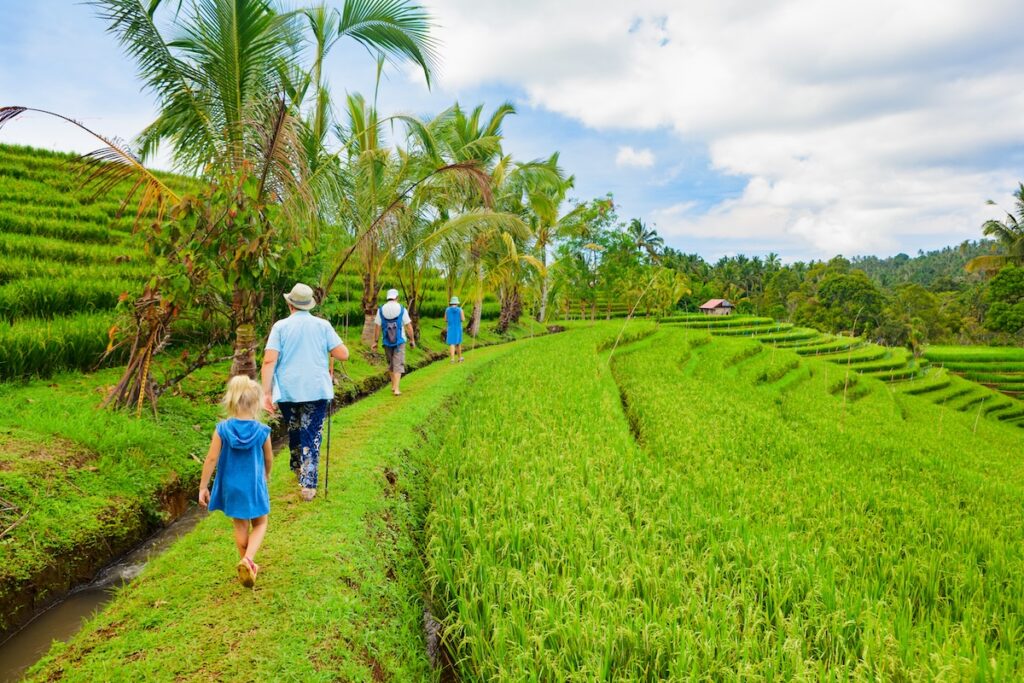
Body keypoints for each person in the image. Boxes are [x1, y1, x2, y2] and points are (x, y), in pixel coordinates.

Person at [261, 283, 349, 502]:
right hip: (316, 389)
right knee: (311, 433)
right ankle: (308, 484)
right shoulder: (322, 325)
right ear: (309, 305)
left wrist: (266, 393)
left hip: (289, 390)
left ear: (290, 304)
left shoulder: (280, 327)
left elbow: (269, 360)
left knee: (295, 429)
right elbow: (343, 354)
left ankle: (299, 468)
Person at [199, 375, 273, 588]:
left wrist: (204, 486)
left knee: (240, 525)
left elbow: (211, 458)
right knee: (260, 522)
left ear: (231, 402)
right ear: (257, 403)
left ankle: (246, 566)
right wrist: (266, 474)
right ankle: (248, 560)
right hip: (253, 484)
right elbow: (268, 458)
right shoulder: (262, 431)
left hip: (230, 486)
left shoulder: (222, 429)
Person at [372, 288, 416, 396]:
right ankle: (396, 389)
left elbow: (377, 327)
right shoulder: (401, 309)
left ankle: (393, 385)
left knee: (391, 363)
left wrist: (375, 341)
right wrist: (412, 340)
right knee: (398, 363)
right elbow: (408, 326)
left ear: (388, 298)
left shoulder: (381, 310)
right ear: (397, 297)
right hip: (399, 341)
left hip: (386, 341)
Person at [445, 296, 465, 363]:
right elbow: (462, 319)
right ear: (457, 303)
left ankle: (452, 359)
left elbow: (445, 319)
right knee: (458, 343)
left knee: (452, 343)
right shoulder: (460, 310)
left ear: (451, 303)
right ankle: (459, 358)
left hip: (450, 328)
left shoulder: (447, 310)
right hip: (458, 328)